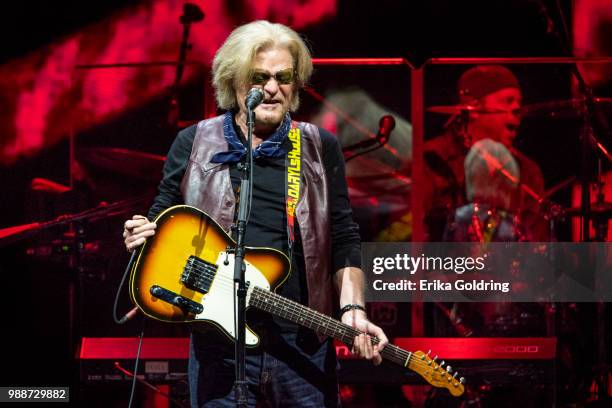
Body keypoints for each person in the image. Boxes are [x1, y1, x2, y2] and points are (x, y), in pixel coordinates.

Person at [122, 20, 387, 407]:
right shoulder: (194, 141)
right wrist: (141, 234)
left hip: (301, 344)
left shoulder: (318, 146)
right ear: (234, 81)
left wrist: (353, 310)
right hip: (219, 350)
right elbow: (163, 219)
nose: (272, 88)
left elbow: (343, 236)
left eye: (283, 77)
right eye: (259, 77)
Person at [423, 65, 548, 242]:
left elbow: (538, 242)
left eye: (519, 104)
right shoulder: (431, 160)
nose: (516, 109)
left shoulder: (528, 172)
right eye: (508, 101)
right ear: (473, 107)